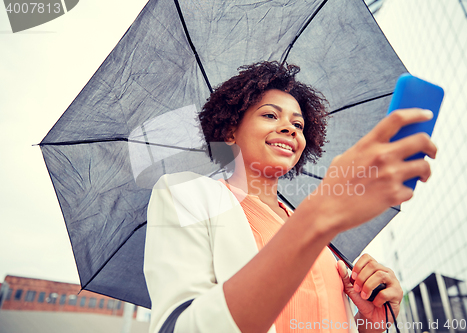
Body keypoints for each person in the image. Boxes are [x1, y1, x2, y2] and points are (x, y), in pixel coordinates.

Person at [144, 61, 437, 333]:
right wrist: (316, 217)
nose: (289, 128)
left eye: (298, 125)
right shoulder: (185, 195)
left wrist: (369, 324)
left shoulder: (323, 242)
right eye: (270, 115)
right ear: (231, 130)